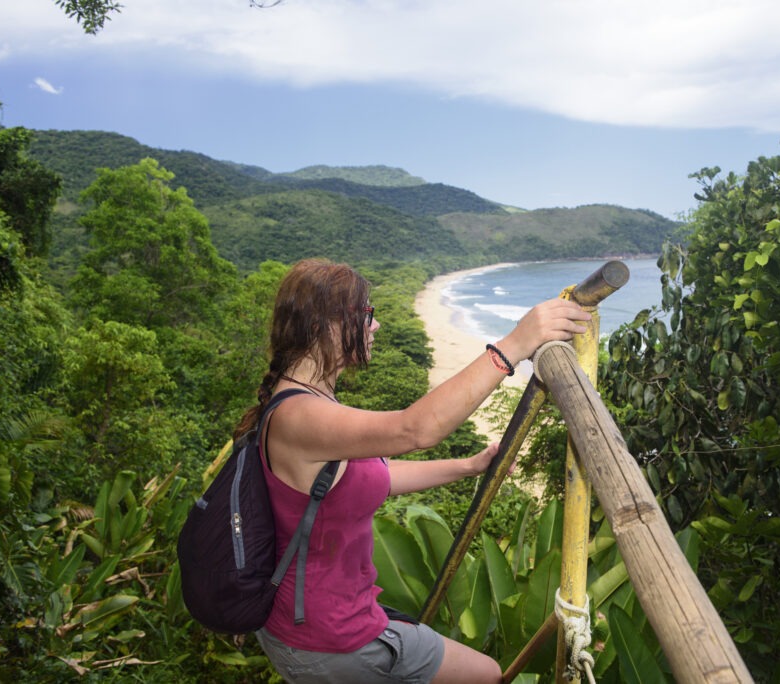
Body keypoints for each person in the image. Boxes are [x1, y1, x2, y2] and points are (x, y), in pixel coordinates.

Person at [236, 259, 591, 684]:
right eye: (366, 315)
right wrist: (515, 344)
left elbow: (377, 477)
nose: (377, 326)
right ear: (325, 325)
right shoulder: (300, 416)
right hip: (325, 639)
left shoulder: (307, 403)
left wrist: (469, 466)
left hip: (327, 622)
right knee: (487, 675)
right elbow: (416, 428)